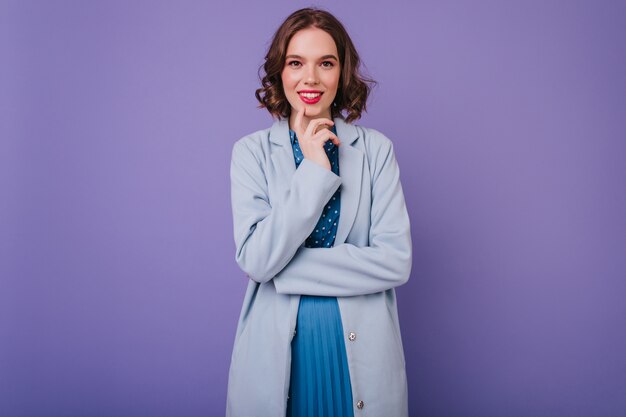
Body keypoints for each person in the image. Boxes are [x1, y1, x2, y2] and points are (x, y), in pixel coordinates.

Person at [226, 7, 412, 417]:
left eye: (325, 63)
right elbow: (257, 259)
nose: (310, 78)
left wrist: (282, 272)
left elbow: (395, 263)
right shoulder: (251, 153)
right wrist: (313, 170)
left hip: (360, 356)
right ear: (280, 72)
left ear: (341, 72)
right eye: (296, 63)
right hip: (280, 358)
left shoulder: (375, 150)